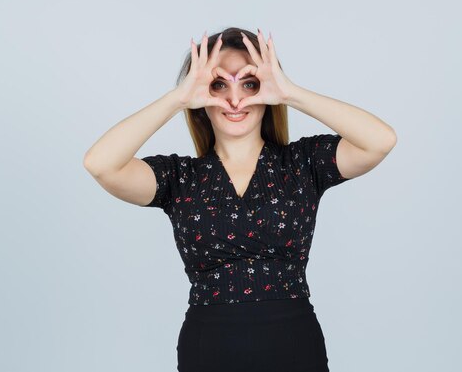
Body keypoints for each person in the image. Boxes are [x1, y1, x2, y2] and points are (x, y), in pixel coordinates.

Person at [83, 27, 396, 371]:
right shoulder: (180, 178)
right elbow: (101, 164)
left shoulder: (303, 164)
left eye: (249, 83)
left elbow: (379, 140)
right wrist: (177, 98)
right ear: (202, 97)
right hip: (209, 349)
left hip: (294, 344)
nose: (235, 100)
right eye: (219, 85)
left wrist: (290, 92)